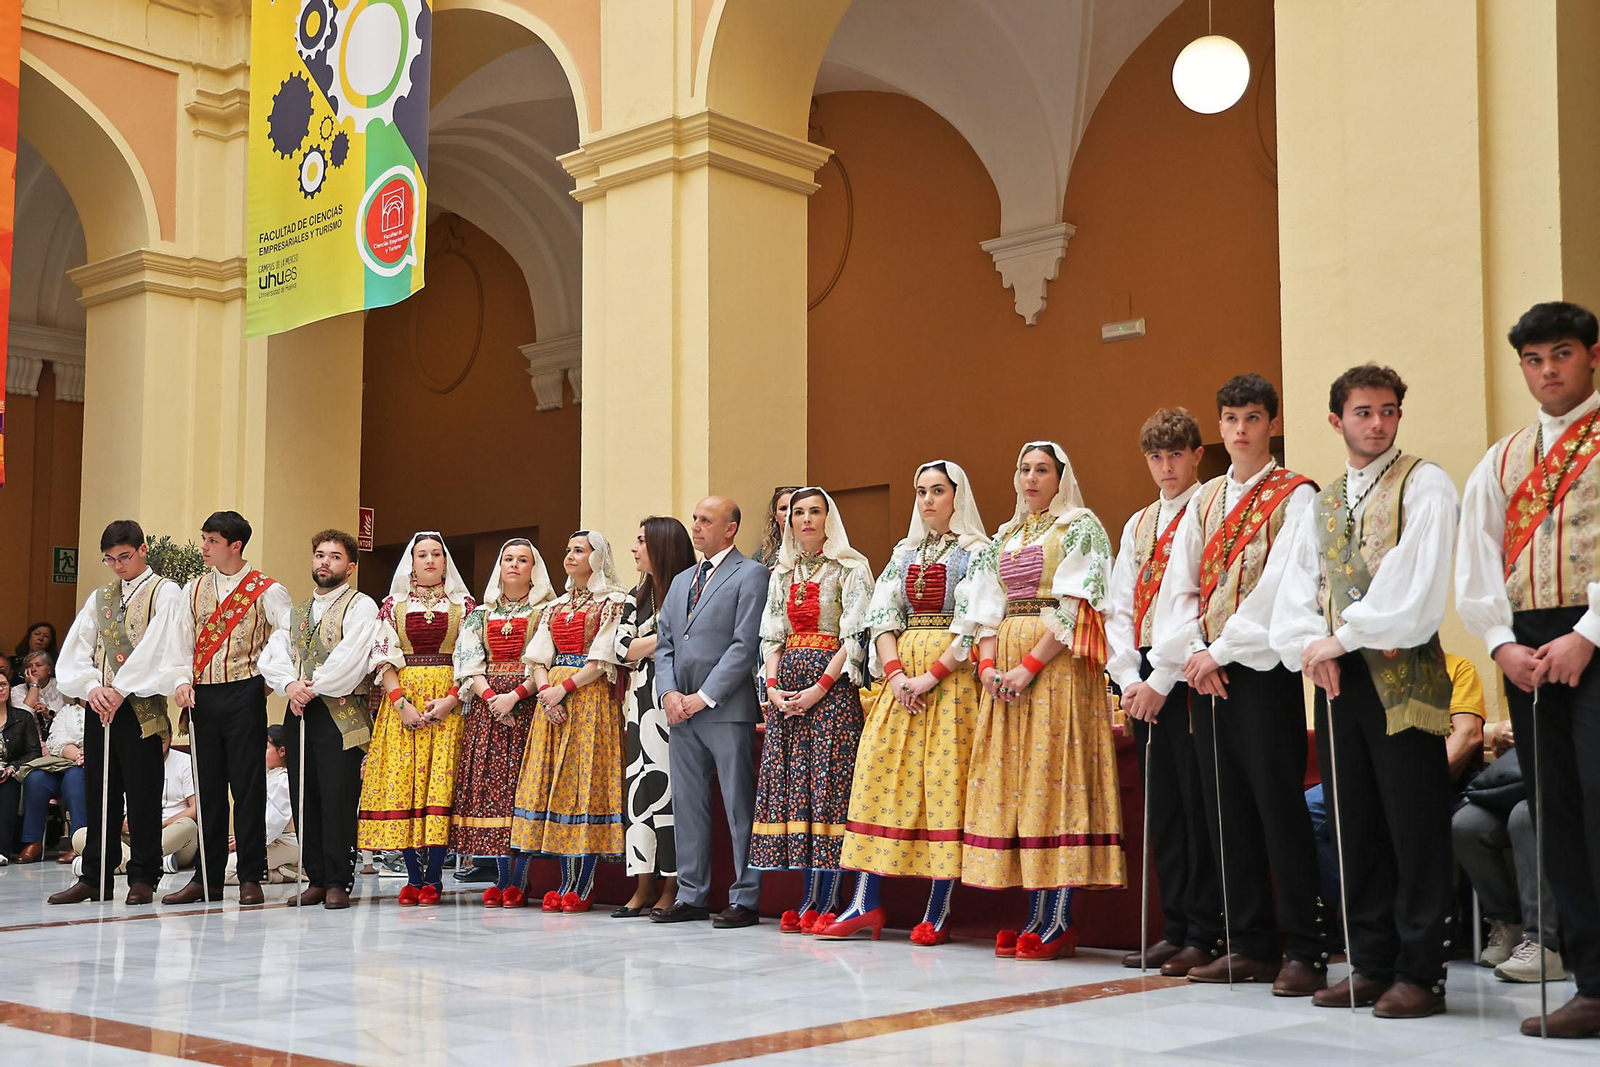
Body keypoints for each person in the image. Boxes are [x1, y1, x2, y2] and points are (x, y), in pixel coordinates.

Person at [1273, 364, 1460, 1018]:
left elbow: (1416, 588)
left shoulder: (1425, 483)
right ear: (1336, 420)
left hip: (1400, 669)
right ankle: (1372, 962)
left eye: (1388, 410)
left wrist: (1339, 639)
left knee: (1412, 825)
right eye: (1363, 412)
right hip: (1335, 679)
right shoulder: (1321, 500)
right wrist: (1308, 644)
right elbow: (1297, 588)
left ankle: (1421, 971)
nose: (1377, 423)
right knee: (1354, 826)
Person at [1148, 375, 1328, 993]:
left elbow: (1281, 587)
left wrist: (1218, 649)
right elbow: (1178, 590)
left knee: (1276, 809)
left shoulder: (1295, 496)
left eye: (1253, 417)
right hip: (1207, 675)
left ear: (1271, 424)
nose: (1242, 429)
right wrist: (1194, 651)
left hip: (1262, 673)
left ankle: (1304, 947)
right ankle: (1247, 942)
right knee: (1225, 812)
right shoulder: (1203, 503)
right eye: (1230, 418)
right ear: (1219, 428)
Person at [1457, 300, 1600, 1038]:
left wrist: (1589, 634)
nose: (1548, 371)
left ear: (1592, 356)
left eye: (1562, 354)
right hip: (1526, 648)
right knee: (1557, 815)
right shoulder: (1504, 458)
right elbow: (1476, 559)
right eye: (1535, 359)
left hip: (1594, 639)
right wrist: (1499, 642)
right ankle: (1592, 983)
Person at [958, 442, 1125, 961]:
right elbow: (984, 606)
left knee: (1054, 780)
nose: (1031, 478)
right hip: (1006, 671)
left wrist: (1029, 664)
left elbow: (1081, 603)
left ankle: (1058, 919)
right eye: (1024, 469)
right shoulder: (1005, 535)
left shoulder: (1080, 525)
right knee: (1019, 785)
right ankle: (1033, 913)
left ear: (1060, 477)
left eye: (1042, 470)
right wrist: (987, 666)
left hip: (1056, 669)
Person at [817, 461, 987, 944]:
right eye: (921, 492)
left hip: (950, 685)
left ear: (958, 495)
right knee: (877, 777)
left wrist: (930, 678)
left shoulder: (979, 551)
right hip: (900, 684)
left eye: (938, 490)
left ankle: (939, 907)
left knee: (943, 786)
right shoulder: (903, 552)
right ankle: (862, 902)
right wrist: (895, 675)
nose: (928, 499)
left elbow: (973, 623)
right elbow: (885, 613)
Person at [1109, 409, 1224, 975]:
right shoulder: (1139, 522)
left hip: (1190, 671)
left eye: (1175, 454)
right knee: (1165, 811)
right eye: (1155, 457)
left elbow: (1194, 602)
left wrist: (1159, 681)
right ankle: (1173, 926)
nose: (1166, 467)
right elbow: (1120, 604)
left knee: (1199, 805)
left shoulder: (1210, 508)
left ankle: (1206, 930)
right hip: (1144, 674)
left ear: (1197, 455)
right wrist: (1129, 677)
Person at [752, 488, 874, 934]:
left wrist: (819, 687)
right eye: (798, 512)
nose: (805, 519)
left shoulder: (851, 568)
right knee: (798, 792)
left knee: (828, 789)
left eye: (814, 512)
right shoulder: (781, 573)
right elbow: (771, 637)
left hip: (831, 695)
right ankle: (807, 895)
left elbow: (855, 635)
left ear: (829, 518)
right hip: (787, 695)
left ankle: (831, 896)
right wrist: (773, 687)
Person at [49, 520, 190, 906]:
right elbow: (79, 647)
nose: (117, 565)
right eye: (109, 559)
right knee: (101, 792)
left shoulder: (167, 592)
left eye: (124, 557)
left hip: (141, 707)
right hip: (102, 707)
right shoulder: (101, 597)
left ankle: (144, 876)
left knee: (143, 794)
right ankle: (95, 875)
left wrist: (120, 688)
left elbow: (162, 646)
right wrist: (93, 687)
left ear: (143, 550)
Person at [652, 496, 771, 929]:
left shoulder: (751, 574)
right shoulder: (683, 580)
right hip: (679, 710)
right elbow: (665, 642)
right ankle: (692, 893)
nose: (697, 526)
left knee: (739, 804)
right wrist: (668, 695)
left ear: (730, 529)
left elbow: (745, 645)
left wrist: (702, 697)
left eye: (706, 520)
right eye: (695, 519)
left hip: (724, 709)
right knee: (688, 805)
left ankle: (745, 895)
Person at [166, 510, 292, 907]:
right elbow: (181, 642)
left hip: (245, 694)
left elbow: (285, 640)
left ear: (235, 545)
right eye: (204, 539)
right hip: (204, 696)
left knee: (248, 787)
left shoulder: (267, 590)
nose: (204, 547)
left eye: (212, 541)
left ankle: (251, 876)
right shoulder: (193, 589)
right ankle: (207, 878)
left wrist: (267, 684)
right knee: (210, 791)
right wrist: (181, 681)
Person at [260, 529, 379, 910]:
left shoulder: (361, 606)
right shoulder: (296, 613)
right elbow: (275, 653)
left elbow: (352, 655)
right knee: (304, 794)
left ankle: (339, 880)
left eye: (335, 556)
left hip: (341, 717)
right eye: (320, 555)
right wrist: (290, 684)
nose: (325, 562)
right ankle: (315, 877)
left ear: (351, 566)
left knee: (337, 797)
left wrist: (312, 686)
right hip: (299, 711)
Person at [512, 530, 630, 912]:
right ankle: (564, 881)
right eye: (568, 550)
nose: (570, 556)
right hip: (555, 702)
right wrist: (547, 693)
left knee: (585, 784)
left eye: (579, 550)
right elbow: (538, 657)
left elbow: (604, 659)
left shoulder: (614, 602)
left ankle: (584, 884)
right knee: (557, 786)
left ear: (598, 557)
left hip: (590, 699)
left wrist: (561, 689)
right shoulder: (555, 606)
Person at [359, 532, 473, 906]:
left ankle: (435, 876)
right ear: (411, 562)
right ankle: (411, 875)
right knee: (406, 783)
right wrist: (400, 703)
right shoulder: (393, 605)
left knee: (439, 784)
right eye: (421, 554)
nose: (429, 560)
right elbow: (384, 659)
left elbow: (472, 658)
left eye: (436, 554)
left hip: (447, 702)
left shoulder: (465, 606)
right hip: (404, 702)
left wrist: (451, 700)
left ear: (445, 561)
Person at [451, 538, 556, 908]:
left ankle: (521, 879)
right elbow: (468, 659)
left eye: (522, 560)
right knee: (491, 790)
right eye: (508, 559)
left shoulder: (546, 612)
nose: (514, 565)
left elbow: (546, 659)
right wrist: (493, 697)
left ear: (533, 568)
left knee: (520, 789)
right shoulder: (481, 613)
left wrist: (515, 696)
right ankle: (499, 877)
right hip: (489, 706)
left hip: (527, 706)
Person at [614, 517, 697, 917]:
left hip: (674, 700)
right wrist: (663, 638)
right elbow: (620, 648)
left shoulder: (691, 588)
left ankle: (672, 885)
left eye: (642, 541)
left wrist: (650, 644)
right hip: (639, 703)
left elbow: (691, 643)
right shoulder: (637, 594)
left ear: (663, 546)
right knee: (640, 794)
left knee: (670, 796)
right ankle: (643, 885)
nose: (634, 548)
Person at [1452, 728, 1565, 984]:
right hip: (1528, 777)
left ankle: (1542, 942)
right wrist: (1503, 732)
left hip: (1572, 782)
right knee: (1466, 826)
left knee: (1525, 817)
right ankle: (1507, 923)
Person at [70, 736, 198, 875]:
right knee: (80, 835)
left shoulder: (185, 762)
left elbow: (196, 808)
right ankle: (152, 863)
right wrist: (123, 822)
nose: (155, 746)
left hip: (169, 836)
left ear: (171, 737)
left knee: (188, 826)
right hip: (132, 836)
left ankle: (108, 864)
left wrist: (165, 823)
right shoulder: (131, 762)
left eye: (161, 741)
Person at [17, 688, 88, 865]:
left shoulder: (104, 712)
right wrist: (77, 754)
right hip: (65, 761)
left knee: (74, 778)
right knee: (36, 779)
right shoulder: (66, 711)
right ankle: (33, 842)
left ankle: (78, 843)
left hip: (89, 767)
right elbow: (55, 740)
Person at [223, 724, 299, 884]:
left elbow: (274, 821)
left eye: (264, 747)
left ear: (282, 751)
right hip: (269, 839)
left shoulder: (284, 780)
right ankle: (282, 867)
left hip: (286, 841)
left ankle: (286, 874)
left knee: (229, 871)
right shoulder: (270, 776)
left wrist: (248, 840)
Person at [0, 673, 44, 862]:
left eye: (3, 684)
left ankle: (2, 851)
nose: (0, 689)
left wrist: (12, 767)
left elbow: (34, 752)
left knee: (8, 788)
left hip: (11, 773)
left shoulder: (23, 717)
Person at [13, 650, 67, 737]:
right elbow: (22, 719)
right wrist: (34, 684)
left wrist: (49, 713)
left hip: (59, 735)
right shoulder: (17, 691)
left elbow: (69, 717)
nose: (33, 669)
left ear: (49, 669)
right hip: (29, 738)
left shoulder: (61, 687)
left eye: (38, 665)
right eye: (29, 666)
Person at [754, 487, 802, 569]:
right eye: (783, 508)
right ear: (775, 516)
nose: (788, 513)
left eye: (794, 508)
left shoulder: (813, 548)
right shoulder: (763, 553)